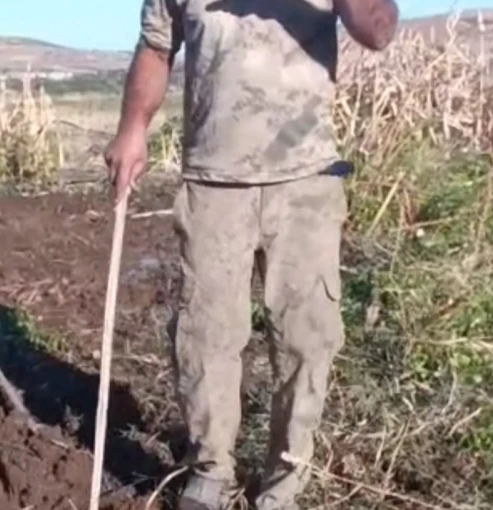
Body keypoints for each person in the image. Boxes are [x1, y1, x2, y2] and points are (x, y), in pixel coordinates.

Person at [104, 1, 399, 509]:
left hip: (306, 179)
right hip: (213, 181)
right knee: (206, 333)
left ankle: (284, 483)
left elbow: (377, 31)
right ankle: (210, 470)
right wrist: (133, 129)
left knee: (306, 338)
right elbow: (156, 45)